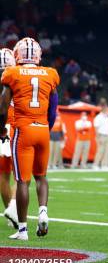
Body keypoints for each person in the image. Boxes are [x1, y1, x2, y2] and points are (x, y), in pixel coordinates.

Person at [0, 37, 60, 240]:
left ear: (17, 54)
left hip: (23, 130)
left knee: (22, 181)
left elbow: (2, 108)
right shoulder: (50, 73)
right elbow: (53, 108)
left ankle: (23, 229)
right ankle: (43, 211)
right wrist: (46, 128)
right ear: (38, 55)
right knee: (41, 176)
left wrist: (1, 131)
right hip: (43, 129)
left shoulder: (13, 73)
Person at [0, 48, 17, 229]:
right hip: (14, 128)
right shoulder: (15, 76)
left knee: (3, 176)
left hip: (1, 131)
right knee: (21, 176)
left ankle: (9, 213)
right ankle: (13, 210)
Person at [93, 99, 108, 169]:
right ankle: (95, 165)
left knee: (106, 151)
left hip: (107, 135)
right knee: (100, 151)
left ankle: (104, 165)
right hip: (101, 135)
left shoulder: (107, 118)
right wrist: (97, 137)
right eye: (107, 109)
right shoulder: (98, 117)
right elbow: (96, 128)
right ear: (103, 109)